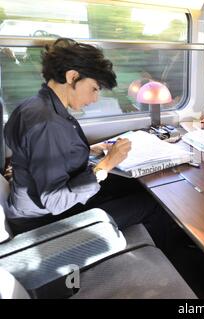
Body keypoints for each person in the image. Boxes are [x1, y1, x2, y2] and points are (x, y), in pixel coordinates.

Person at [4, 38, 159, 234]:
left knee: (133, 186)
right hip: (46, 222)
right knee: (150, 202)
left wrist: (89, 151)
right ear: (72, 76)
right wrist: (106, 164)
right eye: (94, 89)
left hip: (40, 209)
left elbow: (39, 153)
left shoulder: (35, 105)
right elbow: (56, 201)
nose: (95, 99)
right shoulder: (47, 123)